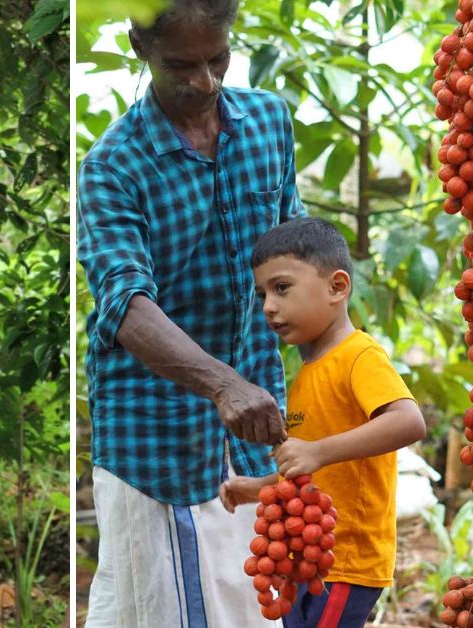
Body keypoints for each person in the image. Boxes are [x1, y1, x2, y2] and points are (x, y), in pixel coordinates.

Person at [77, 0, 306, 623]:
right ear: (139, 48)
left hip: (253, 417)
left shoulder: (266, 122)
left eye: (217, 59)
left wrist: (334, 353)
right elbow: (125, 306)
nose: (204, 81)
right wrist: (222, 384)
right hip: (156, 430)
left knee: (248, 597)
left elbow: (292, 249)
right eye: (181, 64)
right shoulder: (112, 167)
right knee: (159, 602)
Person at [219, 218, 428, 628]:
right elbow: (310, 474)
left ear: (337, 287)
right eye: (261, 294)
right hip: (306, 557)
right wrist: (256, 489)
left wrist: (316, 451)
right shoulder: (306, 371)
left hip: (346, 560)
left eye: (282, 288)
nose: (268, 306)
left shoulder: (359, 356)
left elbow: (409, 422)